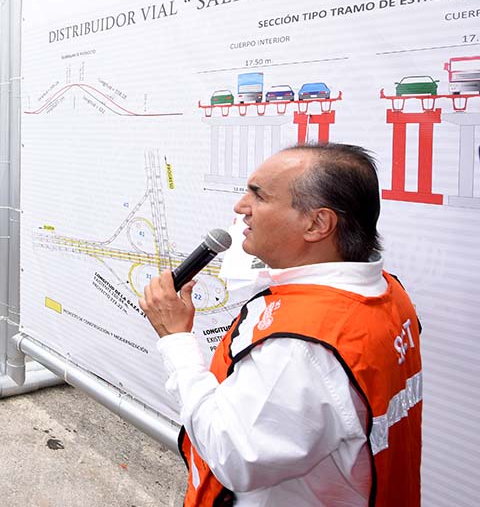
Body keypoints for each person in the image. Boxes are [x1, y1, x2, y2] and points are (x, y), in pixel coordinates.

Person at [139, 143, 422, 506]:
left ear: (317, 223)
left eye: (258, 196)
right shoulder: (386, 293)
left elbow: (233, 455)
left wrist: (177, 340)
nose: (241, 208)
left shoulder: (302, 347)